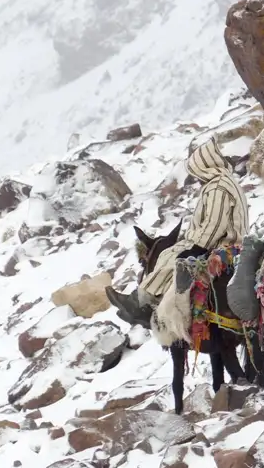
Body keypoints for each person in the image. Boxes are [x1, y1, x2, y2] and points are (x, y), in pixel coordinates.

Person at [107, 138, 249, 328]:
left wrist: (197, 247)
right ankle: (143, 301)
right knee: (168, 253)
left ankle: (142, 304)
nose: (197, 177)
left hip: (222, 244)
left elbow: (214, 224)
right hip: (222, 241)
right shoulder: (224, 182)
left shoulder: (218, 187)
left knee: (174, 258)